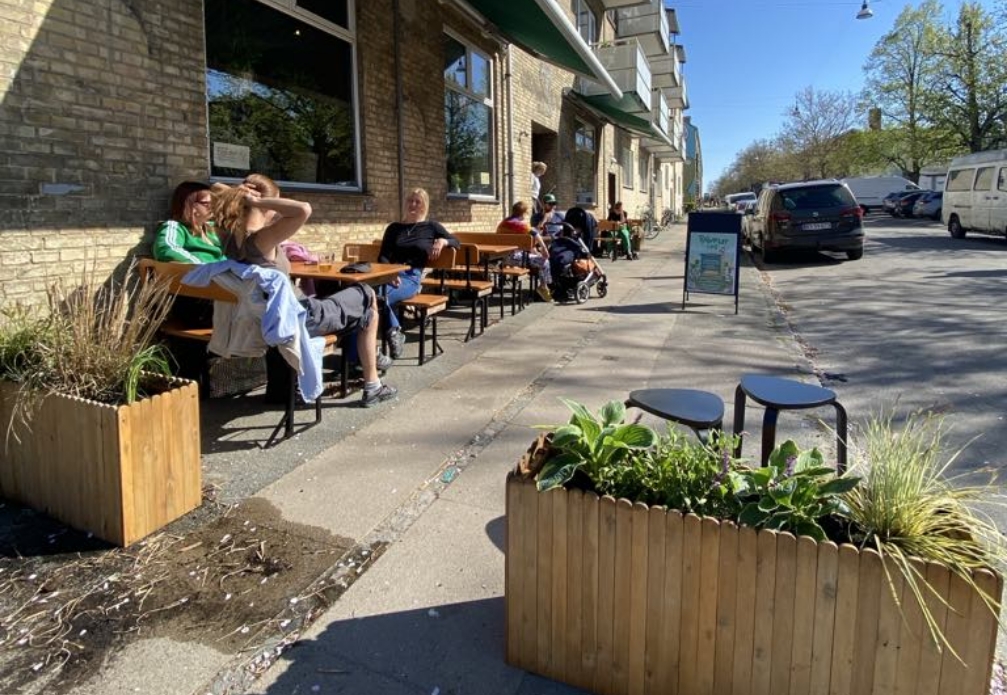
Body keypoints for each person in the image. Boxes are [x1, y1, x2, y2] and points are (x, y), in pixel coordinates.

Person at [214, 181, 397, 408]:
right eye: (277, 203)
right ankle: (373, 386)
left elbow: (214, 188)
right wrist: (257, 200)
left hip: (264, 320)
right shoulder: (261, 239)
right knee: (367, 295)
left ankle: (364, 363)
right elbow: (303, 210)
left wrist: (238, 192)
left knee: (353, 304)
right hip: (300, 317)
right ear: (267, 206)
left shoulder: (230, 238)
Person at [377, 188, 460, 359]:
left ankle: (382, 340)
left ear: (424, 205)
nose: (413, 204)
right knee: (371, 296)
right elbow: (383, 256)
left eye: (418, 201)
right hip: (390, 274)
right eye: (410, 201)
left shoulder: (431, 227)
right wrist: (390, 273)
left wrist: (444, 241)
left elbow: (457, 242)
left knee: (375, 297)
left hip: (410, 277)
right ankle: (394, 332)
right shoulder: (394, 228)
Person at [153, 181, 225, 264]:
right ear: (191, 206)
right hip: (203, 273)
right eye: (207, 203)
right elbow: (166, 249)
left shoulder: (213, 228)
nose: (213, 207)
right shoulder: (175, 227)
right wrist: (201, 266)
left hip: (224, 271)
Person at [495, 200, 552, 299]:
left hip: (501, 257)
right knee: (545, 262)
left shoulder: (504, 223)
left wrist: (534, 251)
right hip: (513, 258)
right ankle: (543, 287)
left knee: (535, 256)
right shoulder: (520, 225)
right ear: (523, 213)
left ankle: (543, 286)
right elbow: (535, 233)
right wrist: (544, 248)